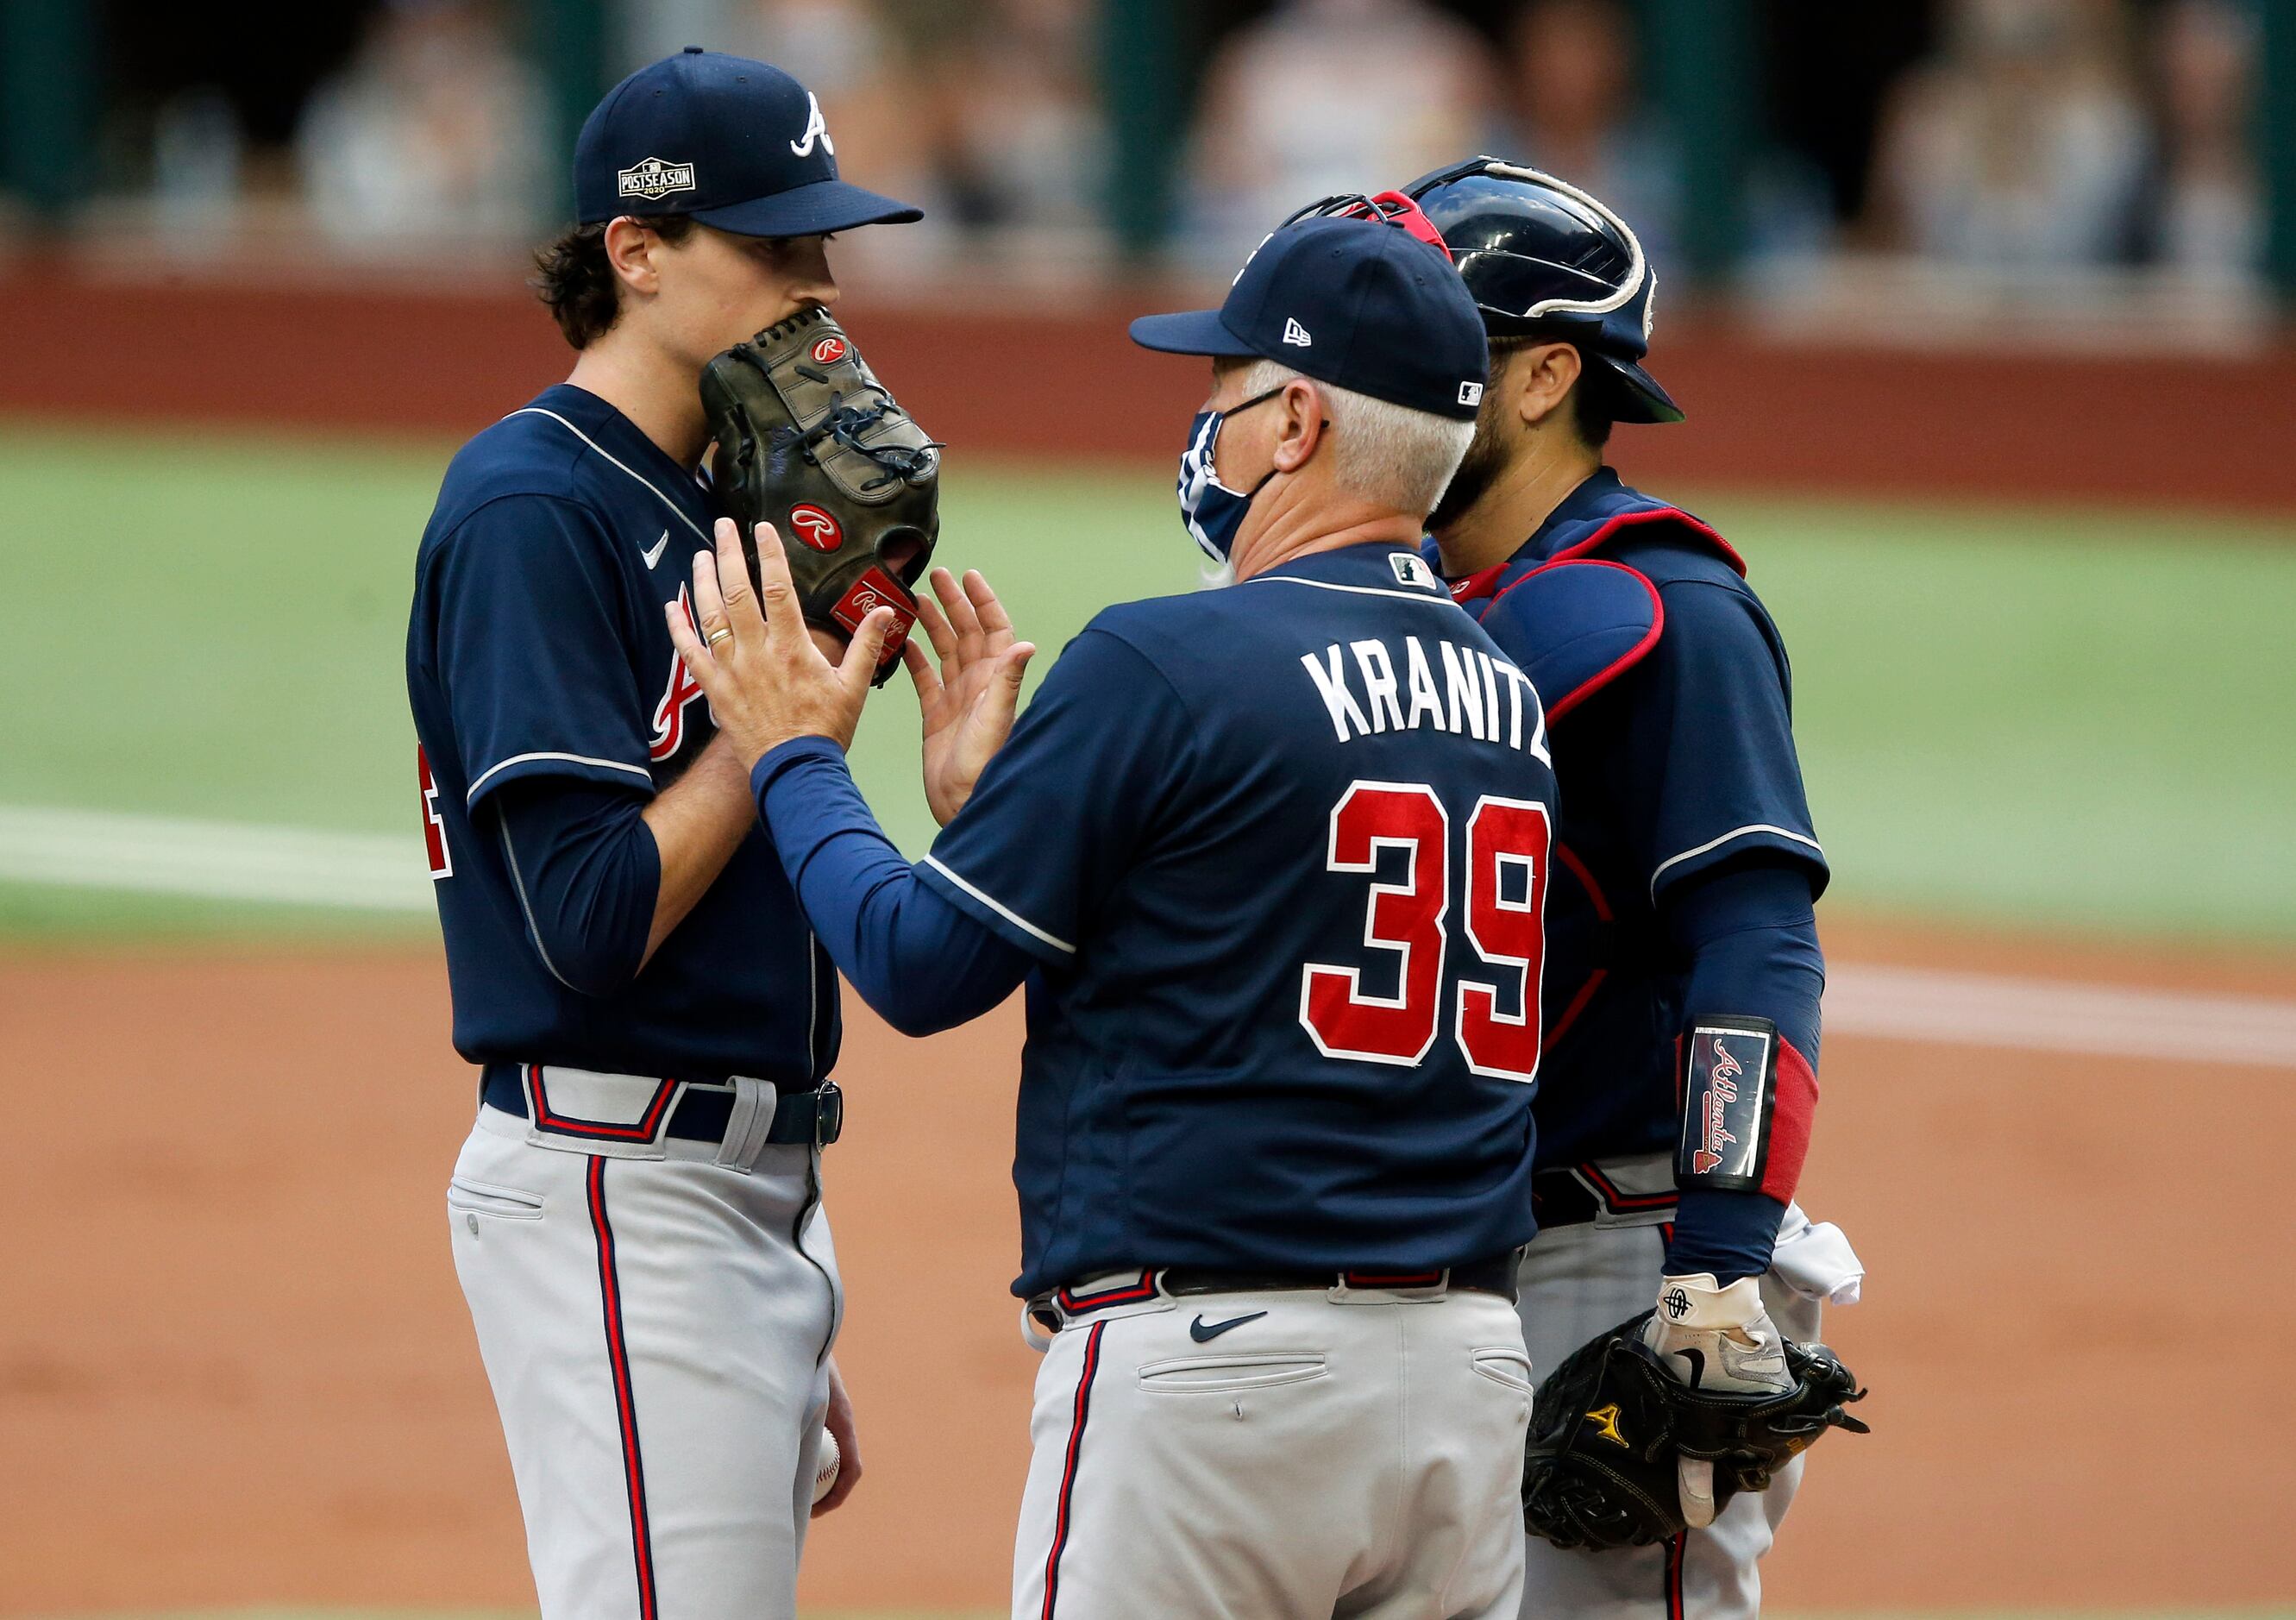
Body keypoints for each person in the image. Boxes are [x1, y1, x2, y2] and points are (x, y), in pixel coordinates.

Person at [667, 213, 1554, 1618]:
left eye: (1222, 393)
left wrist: (793, 756)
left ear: (1296, 422)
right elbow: (1242, 905)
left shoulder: (1167, 655)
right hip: (1462, 1375)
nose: (1201, 424)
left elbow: (916, 962)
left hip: (1218, 1382)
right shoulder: (1507, 693)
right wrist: (997, 821)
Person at [405, 49, 923, 1620]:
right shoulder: (530, 510)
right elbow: (585, 915)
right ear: (632, 252)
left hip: (741, 1191)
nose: (815, 293)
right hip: (619, 1181)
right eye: (772, 250)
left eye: (821, 250)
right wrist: (777, 739)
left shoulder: (722, 509)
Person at [1399, 157, 1865, 1618]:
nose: (1379, 378)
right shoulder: (1408, 602)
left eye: (1426, 345)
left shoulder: (1671, 611)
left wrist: (1717, 1261)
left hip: (1615, 1251)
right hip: (1430, 1248)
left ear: (1541, 376)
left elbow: (1753, 940)